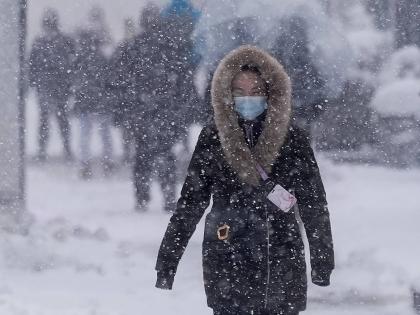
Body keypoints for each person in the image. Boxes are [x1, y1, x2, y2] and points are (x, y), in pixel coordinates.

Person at [155, 46, 334, 315]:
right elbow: (191, 202)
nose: (247, 99)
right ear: (226, 95)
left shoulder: (292, 138)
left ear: (270, 93)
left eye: (256, 92)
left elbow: (313, 202)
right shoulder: (213, 137)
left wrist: (322, 260)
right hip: (228, 254)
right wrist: (168, 260)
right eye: (239, 92)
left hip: (280, 256)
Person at [28, 8, 75, 161]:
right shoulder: (64, 40)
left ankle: (45, 150)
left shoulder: (40, 42)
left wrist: (33, 82)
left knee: (47, 120)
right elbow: (71, 63)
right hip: (58, 86)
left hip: (48, 86)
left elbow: (32, 65)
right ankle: (65, 149)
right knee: (59, 120)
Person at [73, 30, 114, 179]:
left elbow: (77, 80)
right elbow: (109, 81)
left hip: (86, 102)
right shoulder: (102, 58)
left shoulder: (81, 58)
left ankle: (85, 164)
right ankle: (108, 160)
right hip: (100, 103)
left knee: (85, 134)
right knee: (104, 133)